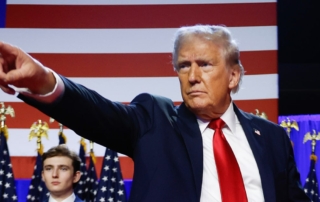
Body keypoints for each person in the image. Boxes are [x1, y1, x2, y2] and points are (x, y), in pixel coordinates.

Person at [0, 25, 310, 201]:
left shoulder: (270, 137)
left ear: (233, 76)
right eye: (184, 66)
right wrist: (44, 81)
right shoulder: (155, 120)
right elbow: (95, 112)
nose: (191, 76)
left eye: (204, 65)